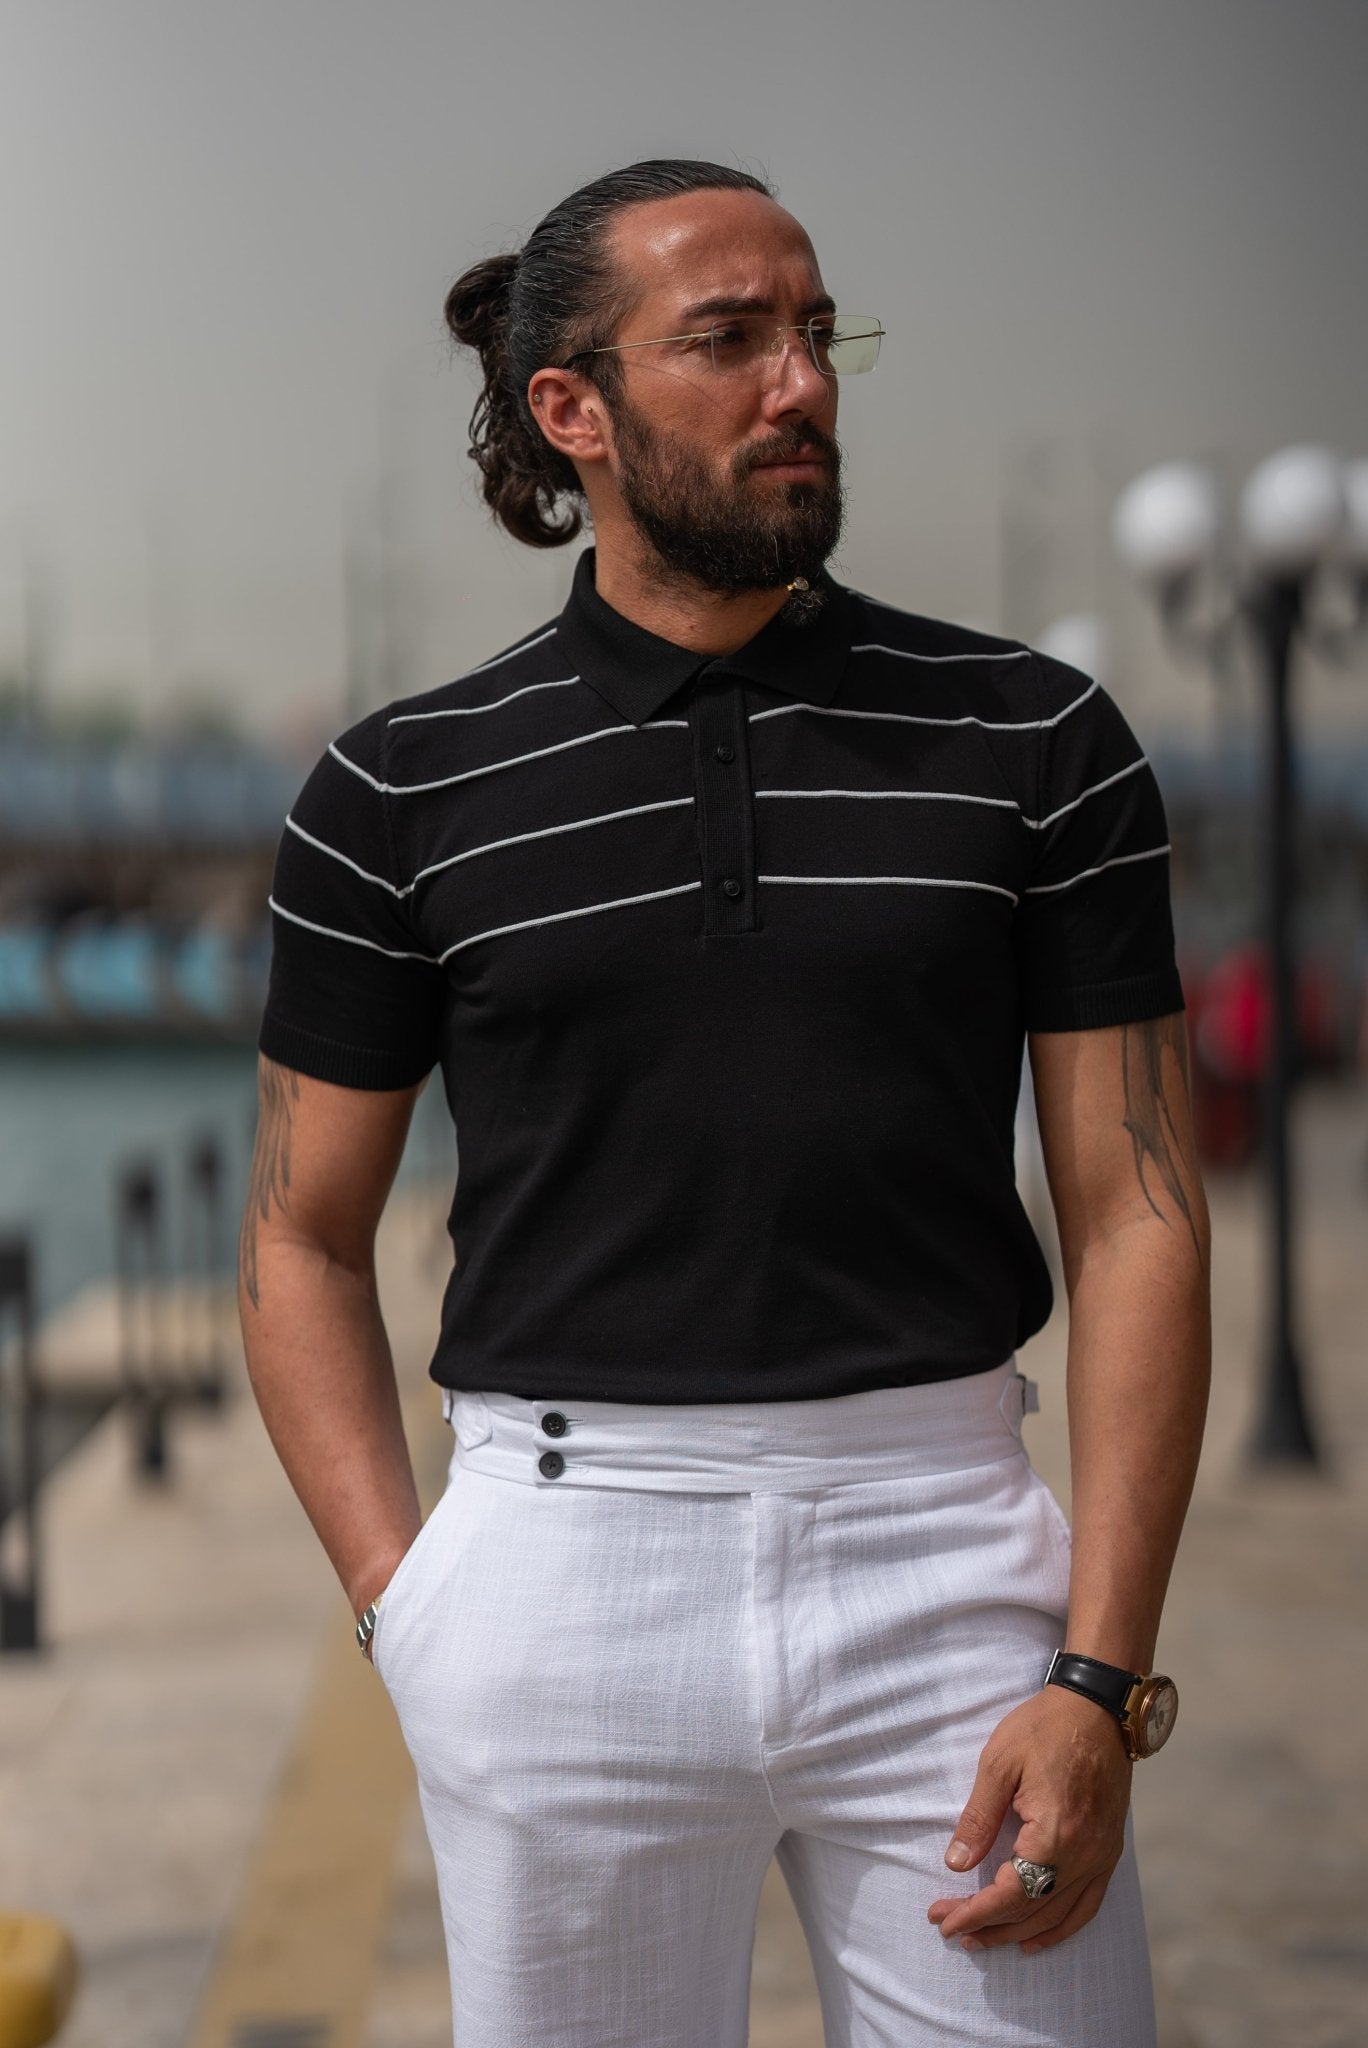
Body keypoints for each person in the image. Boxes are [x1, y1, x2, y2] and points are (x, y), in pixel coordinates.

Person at [239, 158, 1211, 2048]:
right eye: (731, 338)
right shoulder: (397, 791)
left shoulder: (1037, 744)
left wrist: (1102, 1675)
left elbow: (1140, 1211)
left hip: (949, 1556)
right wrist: (406, 1611)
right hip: (556, 1576)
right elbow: (299, 1234)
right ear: (572, 410)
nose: (802, 383)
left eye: (817, 331)